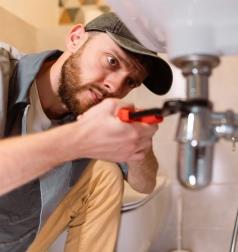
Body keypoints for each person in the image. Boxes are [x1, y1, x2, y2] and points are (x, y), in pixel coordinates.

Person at [0, 12, 173, 252]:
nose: (115, 86)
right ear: (75, 38)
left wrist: (140, 145)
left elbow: (144, 183)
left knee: (105, 173)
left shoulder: (92, 109)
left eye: (131, 82)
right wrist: (79, 139)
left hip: (23, 243)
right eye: (112, 61)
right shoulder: (3, 71)